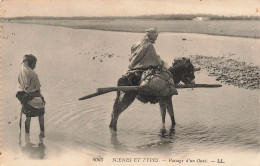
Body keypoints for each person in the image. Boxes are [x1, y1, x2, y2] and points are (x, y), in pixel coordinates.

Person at [16, 54, 45, 137]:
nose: (35, 66)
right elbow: (37, 88)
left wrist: (24, 97)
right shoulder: (33, 74)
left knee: (28, 118)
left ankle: (27, 135)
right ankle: (42, 133)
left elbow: (20, 87)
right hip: (35, 98)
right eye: (34, 64)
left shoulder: (22, 73)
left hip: (25, 98)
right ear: (30, 64)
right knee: (41, 115)